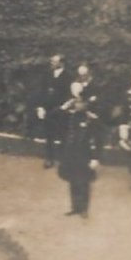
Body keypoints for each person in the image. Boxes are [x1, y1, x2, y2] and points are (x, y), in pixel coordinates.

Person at [58, 88, 100, 218]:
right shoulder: (70, 116)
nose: (78, 105)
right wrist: (65, 106)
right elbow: (53, 117)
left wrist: (94, 158)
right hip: (70, 153)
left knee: (83, 182)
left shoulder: (91, 119)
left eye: (81, 102)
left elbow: (95, 139)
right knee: (72, 181)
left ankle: (84, 208)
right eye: (76, 102)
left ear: (86, 104)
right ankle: (75, 207)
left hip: (84, 154)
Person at [34, 53, 70, 168]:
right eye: (52, 61)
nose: (52, 63)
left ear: (61, 63)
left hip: (61, 109)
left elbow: (70, 94)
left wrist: (64, 107)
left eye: (54, 61)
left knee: (63, 135)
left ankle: (64, 160)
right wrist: (40, 107)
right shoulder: (46, 74)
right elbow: (41, 91)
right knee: (49, 135)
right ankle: (49, 158)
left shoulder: (68, 76)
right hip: (48, 109)